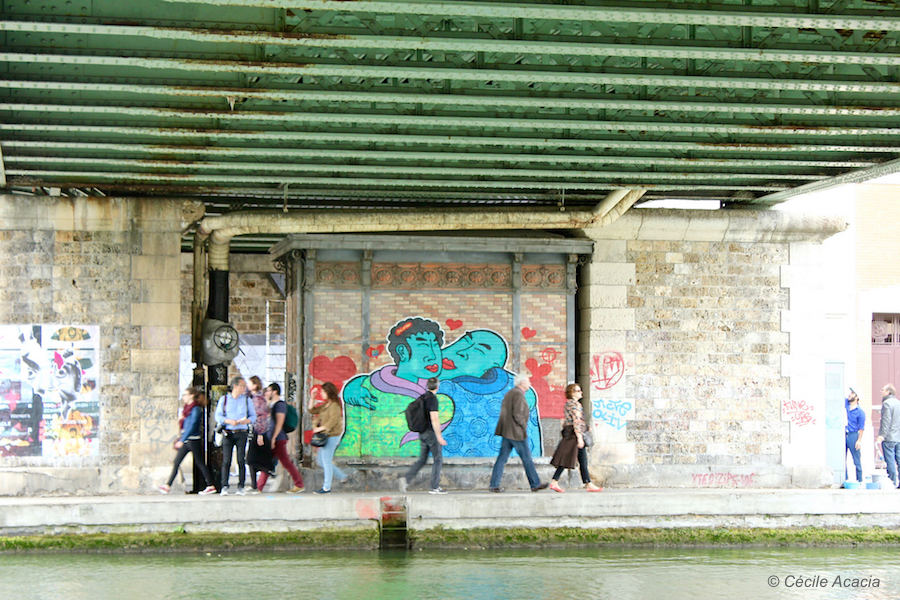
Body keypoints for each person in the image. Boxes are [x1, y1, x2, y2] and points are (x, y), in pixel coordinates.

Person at [489, 374, 549, 493]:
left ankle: (494, 484)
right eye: (528, 382)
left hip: (507, 431)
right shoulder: (518, 394)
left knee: (502, 458)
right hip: (516, 432)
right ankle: (535, 484)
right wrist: (523, 426)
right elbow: (518, 414)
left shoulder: (510, 393)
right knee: (527, 458)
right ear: (522, 383)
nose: (530, 384)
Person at [159, 386, 217, 495]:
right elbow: (186, 425)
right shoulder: (187, 409)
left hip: (193, 440)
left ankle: (210, 485)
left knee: (200, 463)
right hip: (187, 440)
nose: (183, 397)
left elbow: (192, 425)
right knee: (177, 462)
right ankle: (167, 485)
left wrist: (182, 439)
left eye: (185, 395)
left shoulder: (195, 409)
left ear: (191, 396)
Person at [548, 383, 603, 493]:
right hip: (574, 435)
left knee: (579, 459)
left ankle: (587, 483)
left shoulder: (568, 404)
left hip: (571, 434)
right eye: (578, 391)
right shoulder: (575, 405)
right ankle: (556, 481)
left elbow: (567, 421)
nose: (581, 392)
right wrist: (579, 437)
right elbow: (576, 421)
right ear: (572, 393)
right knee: (568, 459)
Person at [399, 377, 447, 494]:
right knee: (438, 459)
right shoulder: (433, 399)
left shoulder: (423, 397)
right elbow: (434, 419)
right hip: (431, 434)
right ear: (437, 387)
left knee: (422, 460)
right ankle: (434, 487)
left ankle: (406, 479)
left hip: (422, 433)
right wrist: (439, 436)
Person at [256, 382, 304, 493]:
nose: (267, 392)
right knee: (267, 462)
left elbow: (279, 423)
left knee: (285, 462)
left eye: (269, 390)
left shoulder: (280, 405)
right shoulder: (271, 405)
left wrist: (273, 438)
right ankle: (259, 487)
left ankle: (299, 484)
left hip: (278, 439)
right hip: (272, 438)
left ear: (275, 391)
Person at [214, 376, 256, 495]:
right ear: (235, 386)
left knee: (241, 460)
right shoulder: (224, 400)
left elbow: (253, 416)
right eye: (242, 386)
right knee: (226, 460)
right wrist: (228, 421)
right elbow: (218, 416)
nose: (244, 388)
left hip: (242, 432)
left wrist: (246, 421)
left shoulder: (247, 400)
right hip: (228, 432)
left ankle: (241, 486)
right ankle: (224, 486)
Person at [308, 381, 349, 494]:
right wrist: (312, 397)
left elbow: (333, 421)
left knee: (326, 461)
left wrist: (320, 429)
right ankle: (342, 476)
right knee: (321, 461)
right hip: (326, 436)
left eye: (323, 392)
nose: (321, 394)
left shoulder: (335, 406)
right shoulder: (326, 405)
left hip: (332, 436)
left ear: (328, 392)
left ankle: (326, 487)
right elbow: (312, 410)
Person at [245, 375, 269, 494]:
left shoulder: (258, 399)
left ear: (255, 385)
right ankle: (254, 484)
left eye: (250, 383)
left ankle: (267, 470)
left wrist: (260, 433)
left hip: (257, 430)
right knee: (252, 458)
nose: (247, 385)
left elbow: (261, 416)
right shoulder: (251, 397)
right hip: (252, 429)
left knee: (251, 458)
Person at [876, 383, 900, 488]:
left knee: (890, 461)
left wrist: (881, 436)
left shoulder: (886, 404)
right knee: (899, 460)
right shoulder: (898, 403)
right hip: (898, 437)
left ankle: (892, 482)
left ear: (888, 392)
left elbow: (886, 421)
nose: (881, 391)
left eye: (883, 390)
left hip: (889, 437)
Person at [844, 388, 865, 484]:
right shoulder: (845, 405)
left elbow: (861, 428)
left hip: (853, 435)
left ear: (857, 397)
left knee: (856, 460)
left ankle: (860, 481)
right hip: (843, 434)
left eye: (852, 393)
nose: (850, 395)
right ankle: (844, 479)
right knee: (842, 458)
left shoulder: (860, 412)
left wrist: (859, 440)